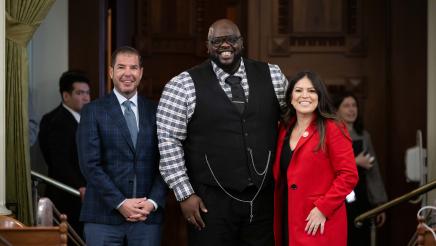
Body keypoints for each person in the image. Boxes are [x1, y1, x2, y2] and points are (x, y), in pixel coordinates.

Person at [157, 19, 288, 245]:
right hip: (210, 201)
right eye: (217, 41)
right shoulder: (182, 84)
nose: (225, 45)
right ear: (207, 46)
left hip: (263, 198)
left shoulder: (273, 75)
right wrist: (185, 194)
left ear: (242, 43)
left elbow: (294, 122)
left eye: (231, 39)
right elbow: (169, 140)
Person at [76, 46, 167, 246]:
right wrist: (120, 203)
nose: (127, 73)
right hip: (103, 217)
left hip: (146, 218)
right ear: (111, 72)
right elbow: (90, 165)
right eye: (121, 67)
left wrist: (152, 202)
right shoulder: (92, 111)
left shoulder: (157, 111)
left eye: (133, 67)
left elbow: (167, 161)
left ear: (141, 72)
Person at [272, 70, 358, 246]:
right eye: (298, 90)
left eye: (311, 91)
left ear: (320, 96)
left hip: (319, 221)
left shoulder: (333, 128)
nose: (305, 96)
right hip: (287, 218)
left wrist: (323, 208)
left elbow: (348, 175)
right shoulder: (284, 129)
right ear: (290, 97)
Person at [38, 70, 91, 240]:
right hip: (67, 195)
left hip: (84, 195)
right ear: (66, 96)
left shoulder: (86, 118)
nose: (86, 98)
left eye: (87, 93)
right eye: (79, 93)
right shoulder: (56, 121)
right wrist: (79, 185)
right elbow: (58, 162)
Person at [333, 92, 388, 246]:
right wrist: (355, 161)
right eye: (346, 106)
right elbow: (327, 167)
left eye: (354, 105)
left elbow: (373, 171)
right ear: (337, 110)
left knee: (361, 238)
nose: (351, 110)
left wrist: (379, 204)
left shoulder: (364, 136)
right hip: (339, 198)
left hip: (362, 195)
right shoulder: (332, 134)